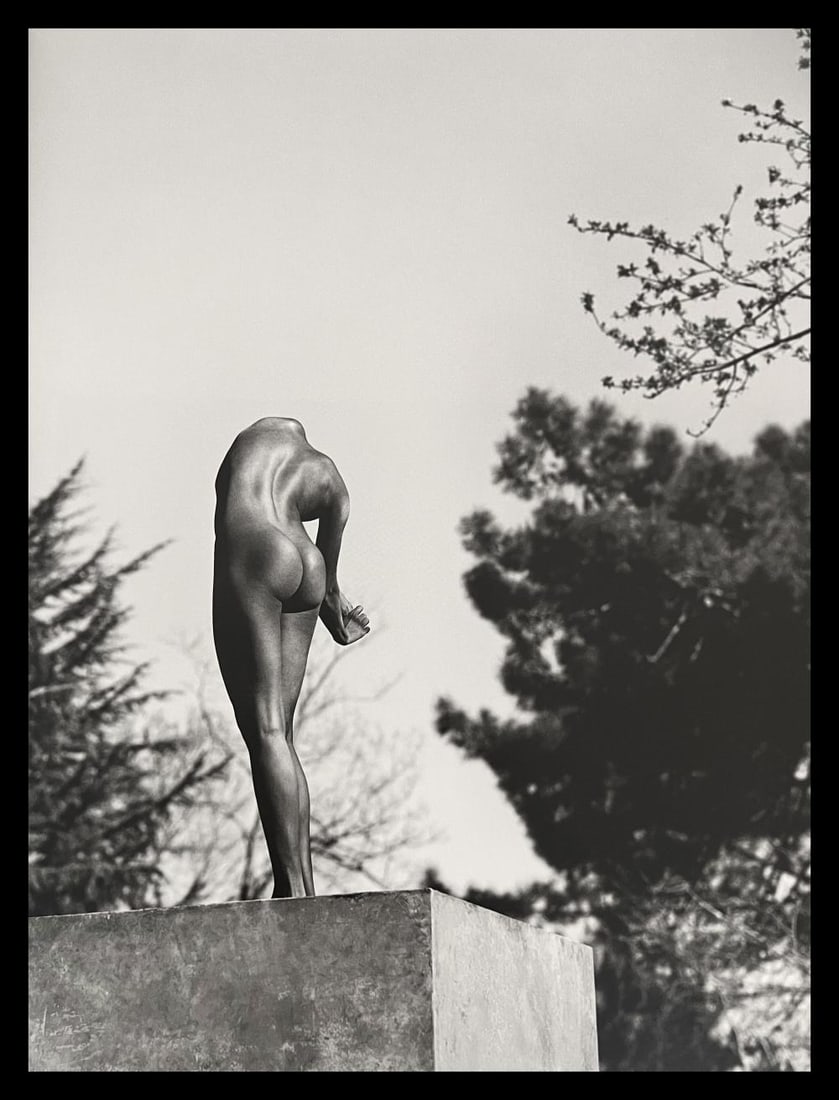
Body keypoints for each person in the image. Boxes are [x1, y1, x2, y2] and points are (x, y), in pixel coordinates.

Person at [212, 416, 370, 899]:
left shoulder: (242, 451)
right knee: (282, 734)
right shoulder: (324, 470)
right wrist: (336, 610)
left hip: (256, 550)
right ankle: (303, 885)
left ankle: (292, 889)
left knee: (263, 731)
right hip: (309, 562)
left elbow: (227, 519)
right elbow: (333, 570)